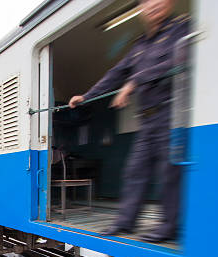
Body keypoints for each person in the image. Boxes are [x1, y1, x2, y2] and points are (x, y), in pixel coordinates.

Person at [69, 0, 189, 243]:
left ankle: (169, 227)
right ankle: (125, 222)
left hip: (171, 113)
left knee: (169, 172)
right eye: (146, 1)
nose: (153, 5)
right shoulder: (139, 45)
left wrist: (134, 82)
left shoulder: (181, 29)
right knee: (135, 171)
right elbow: (116, 73)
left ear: (170, 2)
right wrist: (87, 96)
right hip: (147, 120)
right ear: (141, 9)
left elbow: (177, 62)